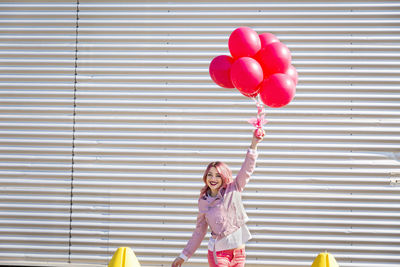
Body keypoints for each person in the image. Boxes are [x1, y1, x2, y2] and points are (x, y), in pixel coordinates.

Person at [171, 130, 263, 267]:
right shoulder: (203, 201)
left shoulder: (234, 188)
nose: (213, 179)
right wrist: (184, 255)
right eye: (210, 175)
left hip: (239, 253)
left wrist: (254, 144)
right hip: (219, 253)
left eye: (218, 175)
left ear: (224, 177)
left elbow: (247, 169)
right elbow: (199, 231)